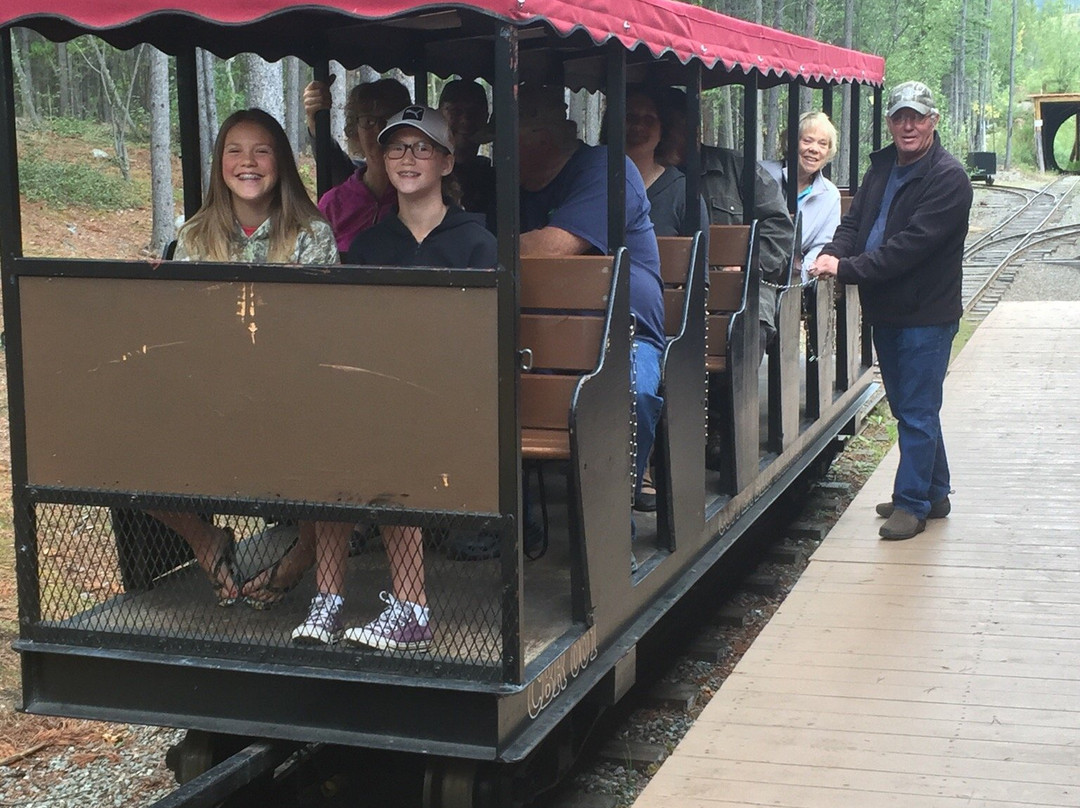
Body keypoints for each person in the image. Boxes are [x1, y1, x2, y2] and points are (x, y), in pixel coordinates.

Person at [290, 105, 496, 650]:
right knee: (333, 437)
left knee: (389, 439)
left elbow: (480, 345)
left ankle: (411, 611)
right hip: (380, 394)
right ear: (381, 158)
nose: (408, 158)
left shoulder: (477, 245)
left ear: (447, 162)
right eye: (397, 148)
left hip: (453, 400)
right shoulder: (370, 247)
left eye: (422, 147)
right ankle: (327, 600)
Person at [159, 108, 339, 607]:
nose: (248, 162)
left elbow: (322, 333)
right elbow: (181, 331)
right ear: (220, 163)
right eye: (235, 150)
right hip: (211, 391)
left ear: (280, 161)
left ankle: (306, 549)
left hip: (292, 391)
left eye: (262, 150)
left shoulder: (312, 234)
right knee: (128, 440)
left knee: (331, 446)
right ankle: (203, 539)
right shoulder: (194, 236)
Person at [809, 80, 972, 540]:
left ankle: (911, 504)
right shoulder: (881, 167)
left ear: (933, 121)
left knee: (918, 409)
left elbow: (908, 248)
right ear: (890, 122)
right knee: (908, 406)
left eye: (917, 117)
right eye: (900, 116)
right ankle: (934, 491)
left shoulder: (949, 178)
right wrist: (830, 253)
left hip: (927, 313)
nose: (907, 125)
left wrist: (847, 268)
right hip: (888, 309)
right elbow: (856, 221)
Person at [517, 84, 666, 534]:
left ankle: (612, 515)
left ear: (547, 136)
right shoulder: (506, 181)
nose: (499, 148)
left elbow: (554, 247)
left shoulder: (607, 169)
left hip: (624, 332)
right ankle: (505, 522)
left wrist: (479, 248)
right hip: (534, 337)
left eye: (511, 135)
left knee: (633, 387)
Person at [654, 87, 794, 472]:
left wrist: (745, 268)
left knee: (746, 325)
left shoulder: (736, 168)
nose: (675, 134)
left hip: (741, 286)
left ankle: (725, 424)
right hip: (673, 288)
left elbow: (780, 227)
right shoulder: (648, 174)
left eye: (681, 125)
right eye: (667, 126)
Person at [302, 77, 412, 252]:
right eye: (368, 121)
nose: (378, 130)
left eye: (388, 120)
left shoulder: (420, 198)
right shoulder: (333, 204)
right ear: (355, 131)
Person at [762, 111, 842, 277]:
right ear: (792, 143)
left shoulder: (830, 195)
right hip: (757, 268)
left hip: (797, 278)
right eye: (807, 141)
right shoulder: (763, 174)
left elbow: (822, 244)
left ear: (828, 151)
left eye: (822, 144)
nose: (814, 149)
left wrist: (802, 275)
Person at [437, 78, 496, 219]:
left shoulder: (494, 180)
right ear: (439, 115)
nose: (465, 120)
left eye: (474, 112)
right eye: (455, 111)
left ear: (486, 117)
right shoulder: (428, 175)